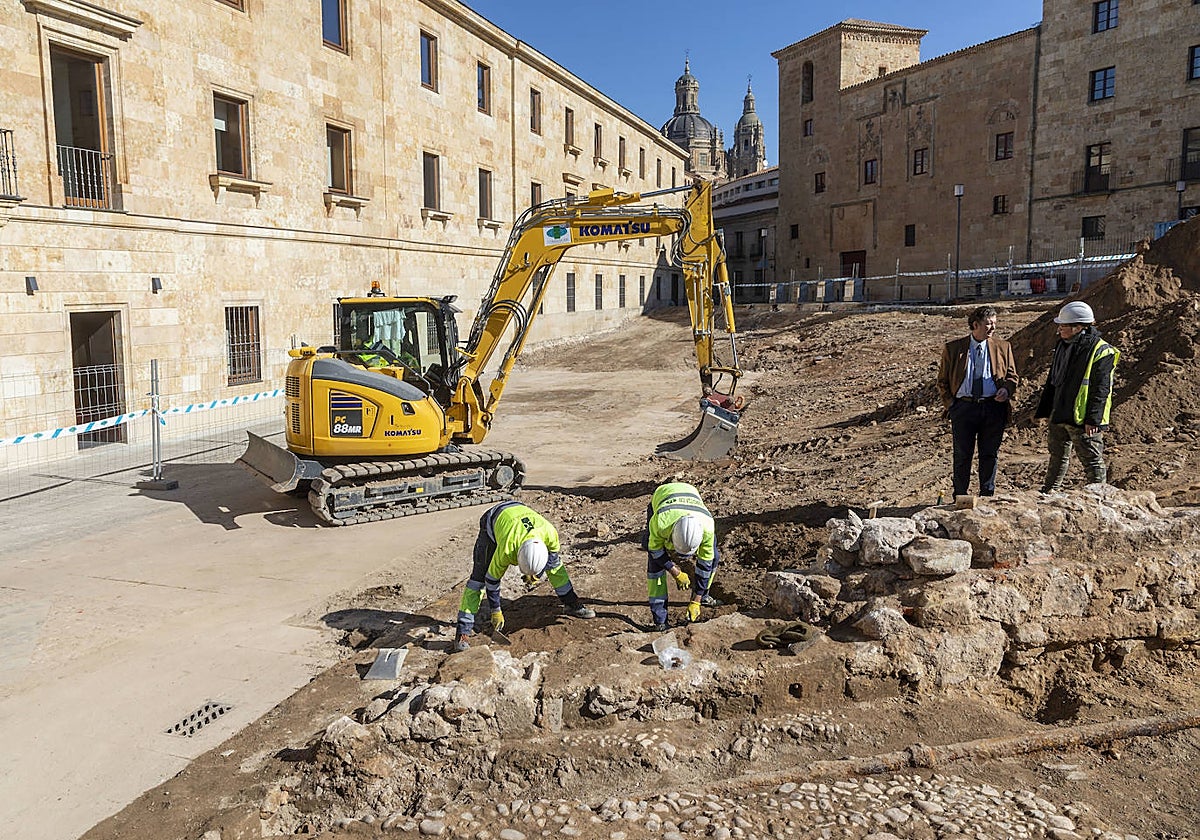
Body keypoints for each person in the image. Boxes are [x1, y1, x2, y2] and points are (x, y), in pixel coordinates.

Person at [454, 501, 594, 652]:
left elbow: (553, 568)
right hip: (493, 519)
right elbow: (492, 580)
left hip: (519, 510)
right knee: (478, 580)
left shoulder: (550, 534)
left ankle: (572, 604)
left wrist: (537, 573)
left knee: (555, 568)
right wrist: (496, 610)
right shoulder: (507, 549)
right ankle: (463, 631)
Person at [1035, 301, 1120, 492]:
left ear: (1078, 327)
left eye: (1063, 326)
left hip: (1081, 418)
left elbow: (1101, 389)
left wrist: (1093, 419)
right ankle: (1050, 491)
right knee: (1057, 456)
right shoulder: (1063, 346)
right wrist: (1047, 409)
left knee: (1091, 460)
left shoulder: (1100, 350)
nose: (1059, 329)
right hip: (1060, 411)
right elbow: (1054, 380)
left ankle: (1099, 495)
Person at [936, 305, 1020, 498]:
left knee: (990, 453)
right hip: (963, 408)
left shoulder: (1003, 347)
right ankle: (960, 496)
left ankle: (987, 494)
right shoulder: (954, 349)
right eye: (988, 324)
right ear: (975, 325)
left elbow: (1012, 376)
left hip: (993, 407)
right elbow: (942, 381)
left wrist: (1006, 390)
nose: (993, 328)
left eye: (995, 323)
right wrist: (951, 405)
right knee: (962, 455)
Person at [644, 481, 718, 632]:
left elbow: (705, 565)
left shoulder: (707, 528)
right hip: (662, 495)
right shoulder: (661, 522)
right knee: (655, 567)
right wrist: (675, 571)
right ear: (671, 537)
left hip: (691, 494)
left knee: (714, 557)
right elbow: (654, 550)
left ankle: (703, 596)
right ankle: (660, 620)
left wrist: (696, 600)